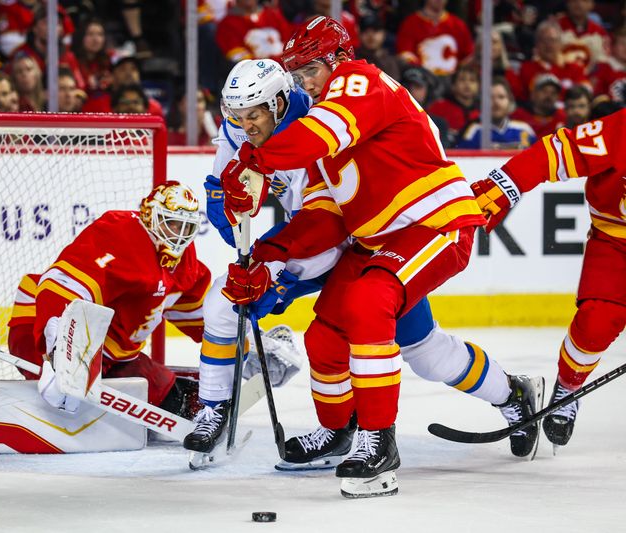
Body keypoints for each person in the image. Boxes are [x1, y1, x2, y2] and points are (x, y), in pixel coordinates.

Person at [201, 42, 542, 488]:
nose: (305, 80)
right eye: (298, 71)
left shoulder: (343, 98)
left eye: (310, 69)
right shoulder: (297, 120)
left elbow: (324, 211)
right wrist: (263, 250)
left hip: (407, 230)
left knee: (376, 314)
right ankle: (337, 429)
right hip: (372, 241)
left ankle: (385, 435)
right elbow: (315, 214)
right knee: (375, 344)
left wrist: (274, 259)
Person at [0, 182, 209, 455]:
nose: (178, 234)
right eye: (170, 223)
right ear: (149, 215)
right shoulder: (119, 232)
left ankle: (195, 401)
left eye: (185, 227)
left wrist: (232, 342)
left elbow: (195, 307)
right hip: (47, 329)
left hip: (112, 355)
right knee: (61, 412)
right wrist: (59, 348)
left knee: (169, 400)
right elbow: (61, 283)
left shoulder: (183, 259)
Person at [470, 105, 626, 450]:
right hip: (617, 240)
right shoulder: (621, 130)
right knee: (597, 321)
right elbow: (557, 151)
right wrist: (506, 184)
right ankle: (569, 387)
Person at [396, 0, 474, 78]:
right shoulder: (411, 23)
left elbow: (468, 57)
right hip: (421, 79)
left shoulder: (458, 25)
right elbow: (405, 55)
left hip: (452, 81)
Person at [456, 77, 536, 149]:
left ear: (510, 101)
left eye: (501, 97)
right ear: (482, 102)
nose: (496, 102)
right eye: (490, 97)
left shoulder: (524, 129)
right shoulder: (474, 130)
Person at [427, 65, 480, 143]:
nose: (467, 84)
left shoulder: (483, 111)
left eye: (472, 80)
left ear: (478, 86)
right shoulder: (438, 108)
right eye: (462, 80)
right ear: (453, 85)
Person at [512, 73, 567, 138]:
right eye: (544, 91)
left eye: (553, 93)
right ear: (533, 93)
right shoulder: (518, 116)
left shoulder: (562, 116)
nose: (549, 96)